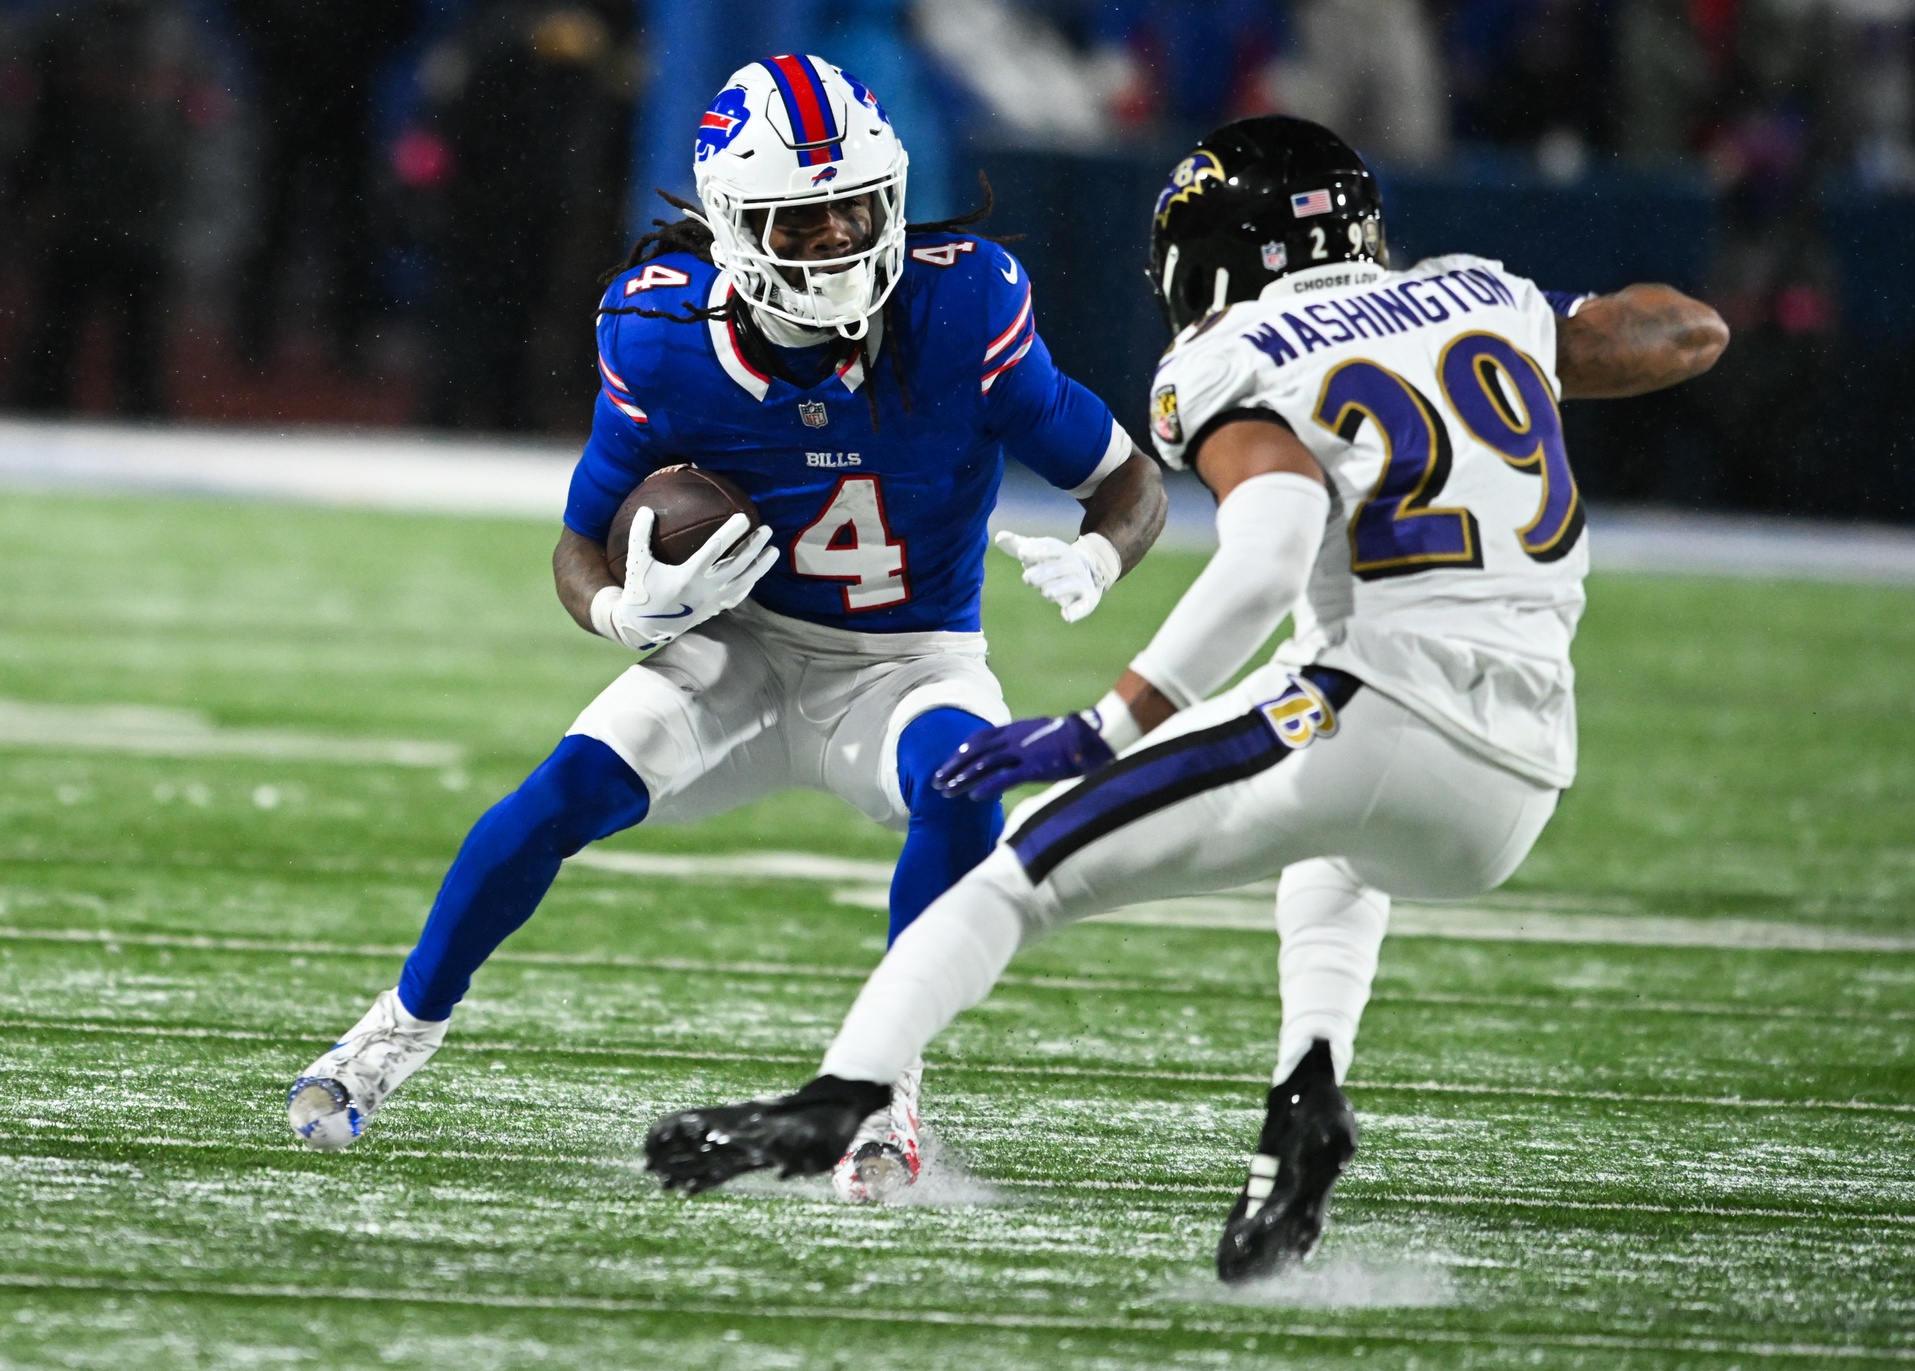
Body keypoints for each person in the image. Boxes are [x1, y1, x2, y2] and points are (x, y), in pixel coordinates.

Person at [640, 116, 1729, 1278]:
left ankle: (836, 1099)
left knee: (1018, 875)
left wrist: (1104, 725)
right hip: (1522, 777)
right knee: (1334, 847)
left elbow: (1266, 556)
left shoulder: (1235, 354)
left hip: (1372, 714)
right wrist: (1534, 327)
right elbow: (1683, 329)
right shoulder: (1482, 295)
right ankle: (1305, 1098)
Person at [284, 55, 1168, 1205]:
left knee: (963, 786)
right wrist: (619, 607)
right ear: (736, 229)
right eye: (803, 222)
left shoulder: (964, 308)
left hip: (908, 660)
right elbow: (579, 538)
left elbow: (1123, 479)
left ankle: (880, 1091)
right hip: (736, 653)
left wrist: (1101, 552)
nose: (842, 237)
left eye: (857, 205)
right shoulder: (660, 337)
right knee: (552, 801)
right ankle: (390, 1037)